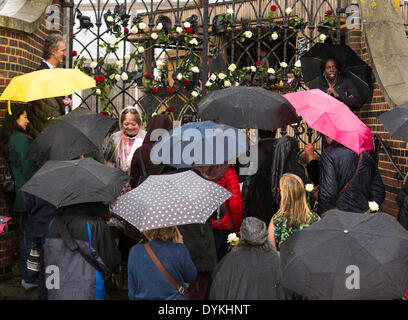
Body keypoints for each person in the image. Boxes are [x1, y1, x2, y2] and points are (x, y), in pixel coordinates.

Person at [43, 202, 121, 300]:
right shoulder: (95, 225)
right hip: (88, 292)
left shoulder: (51, 224)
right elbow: (111, 262)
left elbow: (47, 256)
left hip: (56, 291)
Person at [0, 105, 39, 290]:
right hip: (29, 195)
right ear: (15, 118)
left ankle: (28, 276)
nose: (27, 120)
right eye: (24, 117)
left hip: (23, 194)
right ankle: (29, 277)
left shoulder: (14, 138)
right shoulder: (20, 139)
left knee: (27, 236)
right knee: (30, 238)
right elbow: (28, 167)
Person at [210, 217, 284, 300]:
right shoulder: (276, 259)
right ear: (265, 236)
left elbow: (218, 291)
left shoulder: (231, 260)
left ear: (241, 235)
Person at [317, 136, 385, 215]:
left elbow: (327, 193)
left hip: (339, 217)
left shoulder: (328, 155)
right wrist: (370, 212)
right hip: (361, 216)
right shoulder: (366, 157)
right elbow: (379, 191)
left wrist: (323, 217)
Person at [128, 226, 197, 300]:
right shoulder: (179, 250)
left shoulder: (135, 251)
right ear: (171, 228)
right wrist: (181, 246)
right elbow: (191, 277)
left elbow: (132, 289)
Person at [28, 33, 73, 137]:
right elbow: (44, 108)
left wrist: (64, 104)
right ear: (53, 51)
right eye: (62, 50)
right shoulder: (40, 74)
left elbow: (52, 103)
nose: (65, 54)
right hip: (46, 133)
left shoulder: (55, 73)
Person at [196, 164, 243, 262]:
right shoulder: (228, 173)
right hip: (222, 225)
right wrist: (237, 228)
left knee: (205, 261)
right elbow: (235, 204)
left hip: (202, 225)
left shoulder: (199, 170)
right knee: (221, 260)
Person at [270, 173, 320, 251]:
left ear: (285, 195)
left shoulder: (276, 220)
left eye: (280, 190)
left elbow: (271, 252)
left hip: (285, 262)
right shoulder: (315, 219)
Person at [129, 114, 174, 189]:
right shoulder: (173, 151)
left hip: (143, 194)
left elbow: (133, 178)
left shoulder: (140, 151)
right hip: (166, 195)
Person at [104, 106, 146, 175]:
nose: (130, 127)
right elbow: (109, 163)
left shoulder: (145, 137)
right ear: (121, 124)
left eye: (133, 124)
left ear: (139, 123)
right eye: (126, 124)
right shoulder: (115, 138)